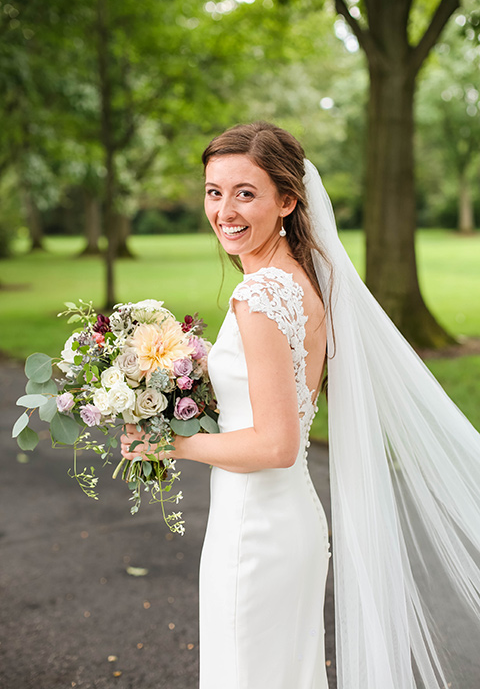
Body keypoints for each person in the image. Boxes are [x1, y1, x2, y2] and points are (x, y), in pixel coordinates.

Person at [120, 122, 480, 689]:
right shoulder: (302, 279)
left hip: (255, 532)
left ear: (287, 200)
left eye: (246, 192)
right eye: (215, 192)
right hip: (288, 523)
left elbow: (277, 444)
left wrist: (166, 441)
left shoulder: (260, 295)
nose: (225, 210)